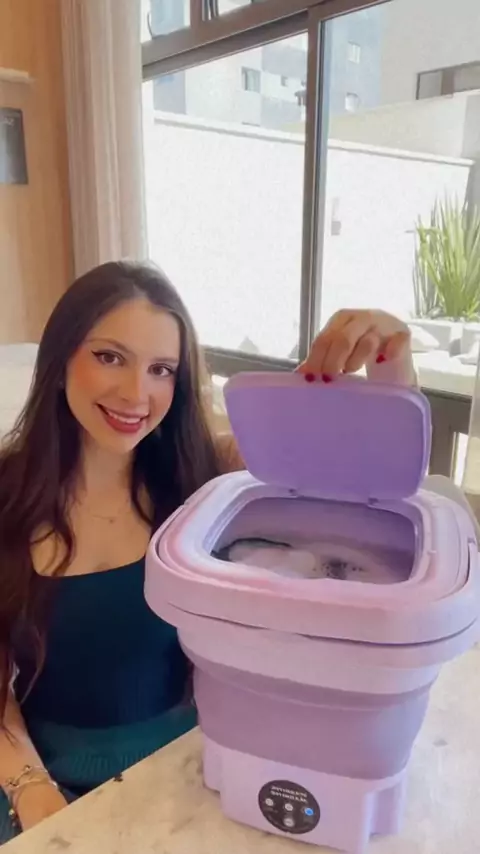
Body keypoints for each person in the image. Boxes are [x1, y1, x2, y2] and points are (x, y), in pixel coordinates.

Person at [0, 260, 435, 840]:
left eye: (161, 369)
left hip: (194, 765)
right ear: (59, 362)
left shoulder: (205, 472)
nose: (136, 393)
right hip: (38, 775)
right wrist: (32, 790)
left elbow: (371, 476)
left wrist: (392, 359)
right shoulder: (6, 496)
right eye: (110, 357)